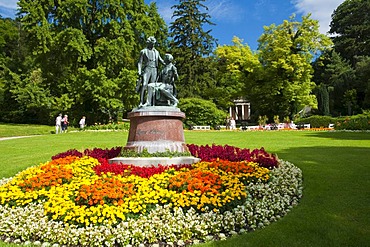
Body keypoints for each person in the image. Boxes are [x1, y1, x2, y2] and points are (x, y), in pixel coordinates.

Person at [137, 36, 165, 107]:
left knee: (153, 86)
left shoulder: (156, 52)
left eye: (153, 43)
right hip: (147, 68)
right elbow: (139, 62)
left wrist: (168, 63)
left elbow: (161, 60)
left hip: (154, 69)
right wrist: (139, 71)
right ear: (148, 43)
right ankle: (141, 101)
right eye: (151, 43)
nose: (153, 45)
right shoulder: (143, 51)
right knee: (144, 85)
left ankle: (152, 102)